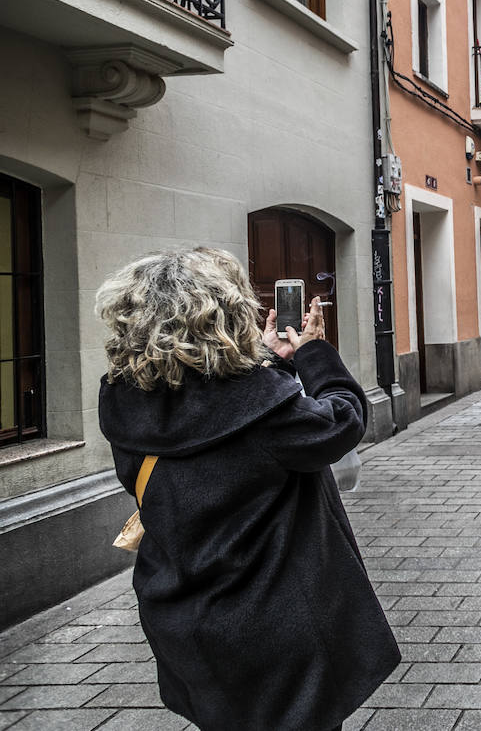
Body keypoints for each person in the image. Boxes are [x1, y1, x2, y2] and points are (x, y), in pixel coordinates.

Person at [95, 247, 400, 731]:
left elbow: (211, 418)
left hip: (182, 616)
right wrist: (315, 353)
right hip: (272, 624)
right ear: (226, 316)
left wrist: (265, 363)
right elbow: (343, 420)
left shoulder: (123, 398)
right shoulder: (262, 409)